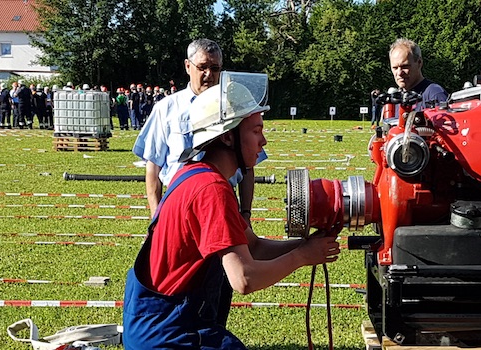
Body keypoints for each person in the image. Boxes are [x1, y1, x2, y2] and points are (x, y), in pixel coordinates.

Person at [122, 79, 341, 350]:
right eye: (256, 130)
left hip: (162, 323)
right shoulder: (211, 189)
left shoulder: (196, 174)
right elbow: (244, 278)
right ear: (227, 136)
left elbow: (255, 247)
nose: (263, 140)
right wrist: (302, 257)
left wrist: (307, 246)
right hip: (169, 333)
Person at [133, 39, 266, 218]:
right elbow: (153, 166)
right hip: (180, 202)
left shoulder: (235, 105)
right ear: (188, 66)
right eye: (202, 67)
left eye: (215, 68)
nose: (209, 74)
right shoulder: (166, 108)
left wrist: (246, 213)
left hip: (224, 200)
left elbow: (248, 168)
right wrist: (156, 217)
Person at [388, 38, 447, 112]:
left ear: (419, 63)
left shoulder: (434, 94)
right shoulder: (395, 100)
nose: (399, 73)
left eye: (405, 67)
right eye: (395, 68)